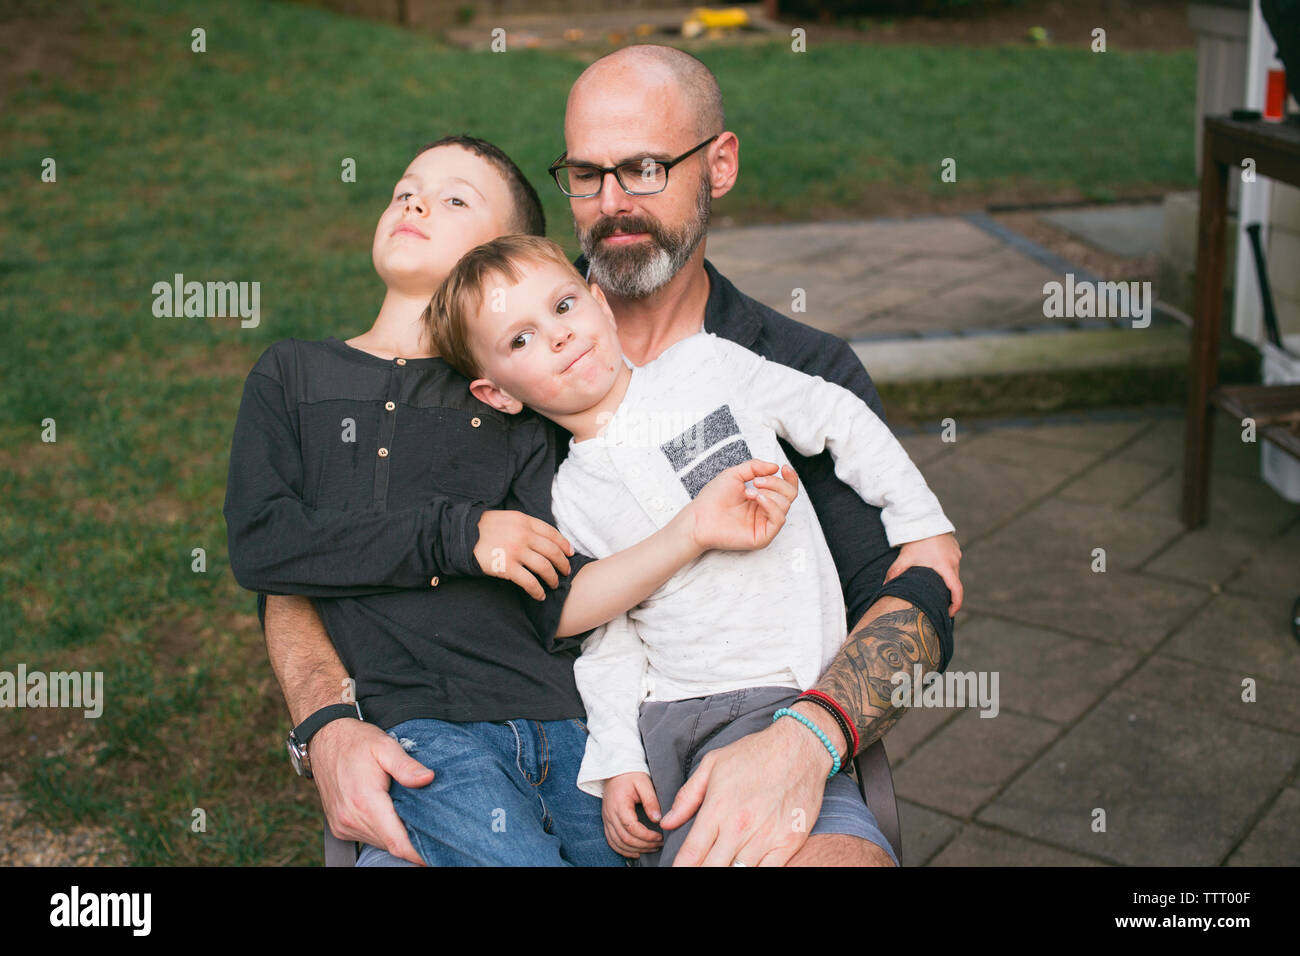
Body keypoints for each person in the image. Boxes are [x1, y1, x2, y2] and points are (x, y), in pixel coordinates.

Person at [261, 44, 964, 868]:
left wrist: (802, 743)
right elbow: (310, 561)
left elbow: (920, 590)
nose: (611, 202)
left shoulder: (782, 367)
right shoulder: (483, 371)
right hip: (496, 762)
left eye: (643, 168)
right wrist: (326, 723)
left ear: (720, 164)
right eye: (586, 175)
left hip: (762, 728)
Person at [422, 233, 957, 865]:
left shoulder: (706, 366)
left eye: (564, 307)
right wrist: (618, 759)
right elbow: (608, 635)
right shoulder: (569, 498)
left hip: (779, 701)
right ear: (498, 393)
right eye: (520, 339)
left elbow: (835, 415)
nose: (558, 336)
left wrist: (922, 523)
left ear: (600, 301)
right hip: (666, 729)